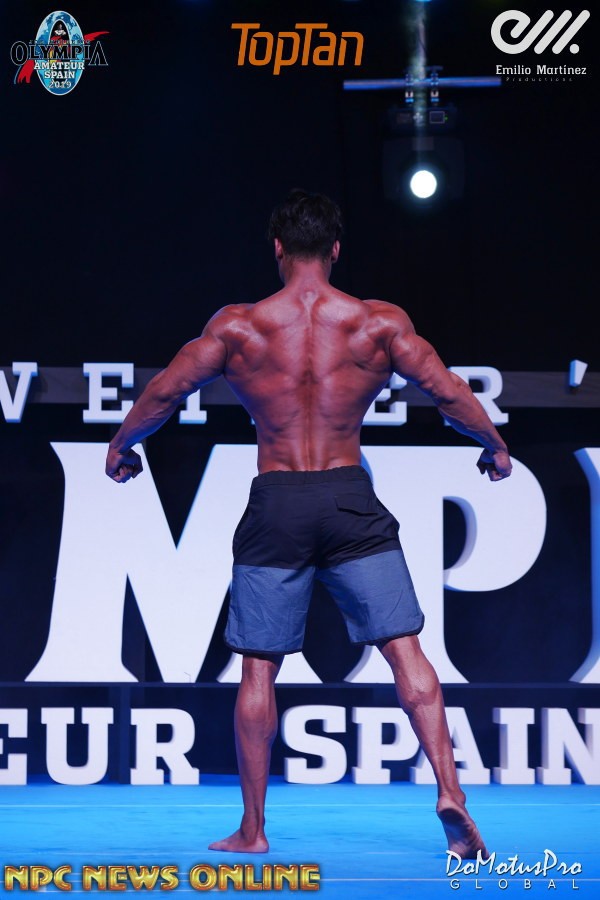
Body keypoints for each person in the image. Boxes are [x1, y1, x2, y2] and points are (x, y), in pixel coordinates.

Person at [106, 189, 511, 859]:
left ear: (277, 248)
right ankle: (450, 793)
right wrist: (493, 446)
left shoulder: (240, 327)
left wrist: (123, 444)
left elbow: (165, 391)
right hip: (350, 498)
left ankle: (253, 830)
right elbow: (447, 391)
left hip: (278, 502)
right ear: (336, 249)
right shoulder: (377, 324)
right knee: (404, 649)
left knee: (259, 668)